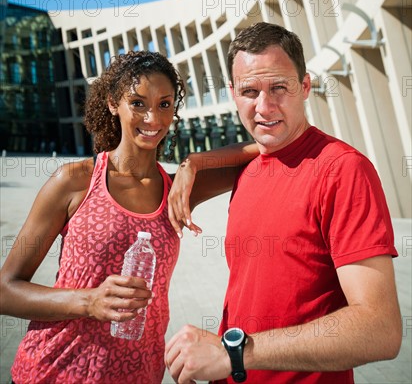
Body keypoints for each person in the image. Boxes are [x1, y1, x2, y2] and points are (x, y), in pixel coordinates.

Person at [0, 50, 258, 384]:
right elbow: (6, 290)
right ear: (112, 103)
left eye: (164, 104)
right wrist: (88, 301)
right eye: (138, 103)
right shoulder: (75, 181)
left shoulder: (177, 190)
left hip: (140, 375)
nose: (153, 118)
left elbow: (260, 149)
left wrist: (193, 162)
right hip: (55, 370)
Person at [165, 23, 402, 384]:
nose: (264, 106)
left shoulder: (343, 171)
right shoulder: (245, 170)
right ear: (233, 94)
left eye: (279, 87)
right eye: (249, 91)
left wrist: (236, 352)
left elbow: (380, 328)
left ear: (305, 87)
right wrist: (193, 162)